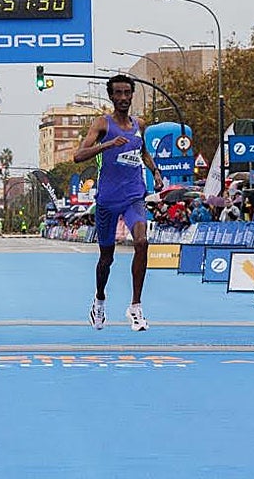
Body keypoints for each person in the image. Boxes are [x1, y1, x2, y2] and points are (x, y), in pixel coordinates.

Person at [74, 74, 163, 332]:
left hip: (134, 196)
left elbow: (142, 151)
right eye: (118, 93)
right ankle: (99, 300)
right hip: (107, 200)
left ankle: (136, 307)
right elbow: (78, 156)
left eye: (127, 93)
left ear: (132, 95)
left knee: (142, 242)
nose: (123, 98)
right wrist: (108, 144)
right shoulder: (102, 124)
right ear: (111, 96)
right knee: (107, 258)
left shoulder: (140, 124)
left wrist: (155, 172)